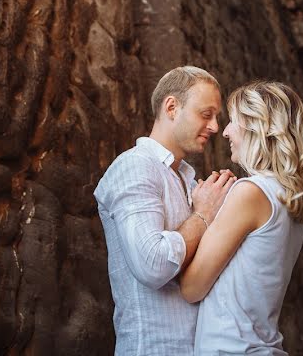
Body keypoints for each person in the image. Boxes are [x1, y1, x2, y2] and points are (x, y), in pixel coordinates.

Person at [94, 66, 237, 355]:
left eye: (216, 117)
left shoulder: (186, 178)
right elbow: (153, 264)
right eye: (206, 114)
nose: (215, 127)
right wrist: (203, 215)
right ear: (172, 107)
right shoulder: (134, 166)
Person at [180, 81, 303, 356]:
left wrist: (202, 213)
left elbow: (191, 288)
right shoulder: (288, 196)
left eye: (233, 122)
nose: (225, 132)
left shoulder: (251, 193)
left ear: (257, 127)